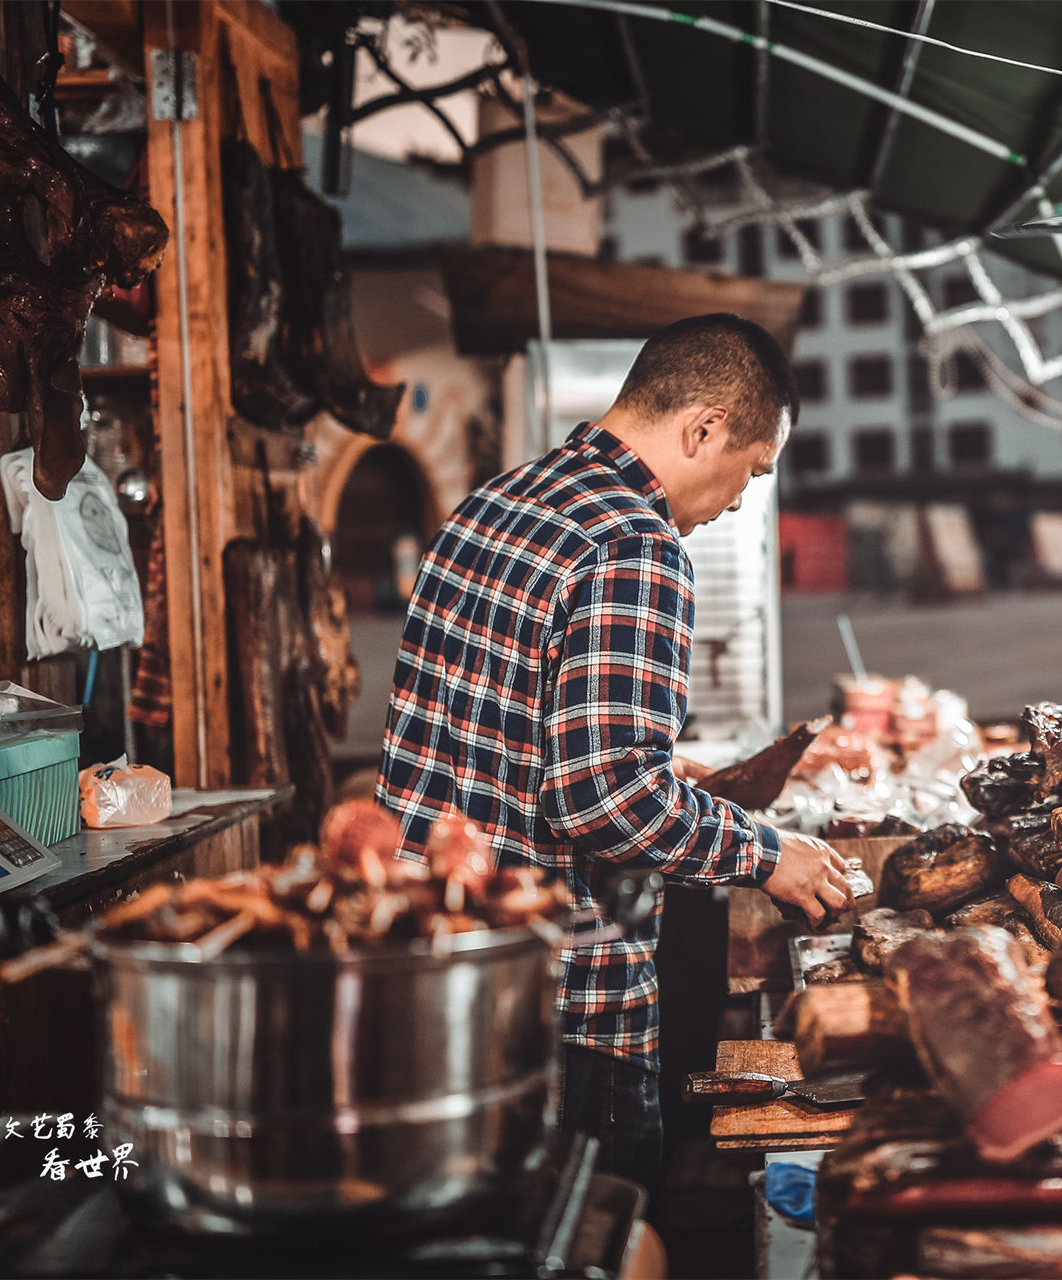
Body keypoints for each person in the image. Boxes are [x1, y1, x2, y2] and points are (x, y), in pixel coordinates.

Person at [376, 314, 853, 1194]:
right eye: (749, 469)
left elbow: (502, 741)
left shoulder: (494, 503)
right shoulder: (636, 544)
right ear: (702, 427)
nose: (742, 499)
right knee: (586, 1239)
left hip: (428, 973)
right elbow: (601, 796)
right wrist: (766, 853)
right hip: (558, 1000)